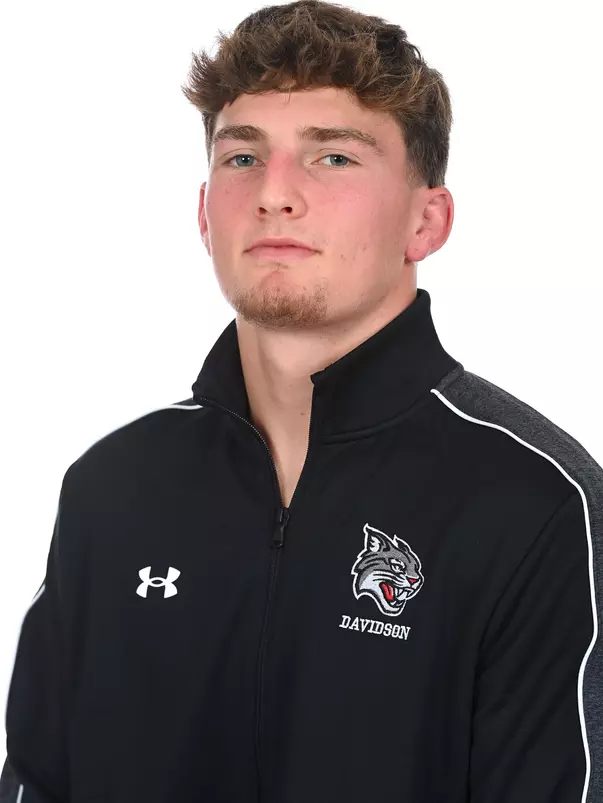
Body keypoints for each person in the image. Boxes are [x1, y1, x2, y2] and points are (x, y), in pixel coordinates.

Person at [1, 1, 601, 801]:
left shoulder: (534, 504)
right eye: (243, 156)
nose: (274, 193)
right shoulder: (112, 486)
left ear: (426, 221)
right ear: (203, 212)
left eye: (334, 157)